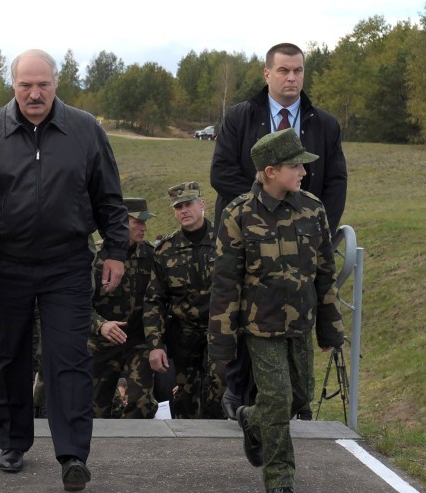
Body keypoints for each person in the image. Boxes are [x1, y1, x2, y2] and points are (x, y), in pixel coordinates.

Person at [0, 49, 128, 492]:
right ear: (13, 85)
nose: (34, 93)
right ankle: (13, 442)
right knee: (8, 355)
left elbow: (109, 197)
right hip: (3, 263)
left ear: (56, 83)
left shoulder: (85, 131)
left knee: (68, 358)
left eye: (42, 84)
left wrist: (116, 250)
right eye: (25, 85)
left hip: (66, 262)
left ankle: (73, 455)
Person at [209, 42, 348, 420]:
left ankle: (288, 404)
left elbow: (335, 183)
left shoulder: (324, 123)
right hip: (246, 237)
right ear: (267, 74)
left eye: (298, 71)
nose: (292, 78)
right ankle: (239, 395)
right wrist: (259, 219)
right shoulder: (240, 117)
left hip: (302, 242)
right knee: (243, 312)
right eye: (284, 70)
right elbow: (221, 173)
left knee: (294, 316)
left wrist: (315, 231)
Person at [208, 128, 345, 493]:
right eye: (296, 166)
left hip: (300, 325)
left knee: (299, 396)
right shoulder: (239, 214)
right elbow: (224, 285)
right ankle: (280, 479)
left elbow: (326, 274)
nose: (303, 172)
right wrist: (222, 346)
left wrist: (330, 331)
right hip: (260, 328)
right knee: (279, 398)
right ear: (270, 171)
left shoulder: (313, 209)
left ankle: (251, 420)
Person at [142, 182, 225, 419]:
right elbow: (154, 301)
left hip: (219, 333)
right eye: (178, 207)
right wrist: (155, 345)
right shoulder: (166, 250)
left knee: (218, 394)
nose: (183, 211)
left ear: (202, 205)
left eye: (188, 204)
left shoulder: (225, 243)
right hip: (183, 338)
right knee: (186, 404)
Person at [90, 197, 157, 419]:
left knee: (142, 402)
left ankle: (137, 453)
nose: (143, 227)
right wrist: (100, 325)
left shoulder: (150, 255)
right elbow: (77, 303)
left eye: (145, 222)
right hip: (101, 345)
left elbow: (159, 300)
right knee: (95, 410)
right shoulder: (95, 257)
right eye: (137, 222)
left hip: (136, 343)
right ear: (120, 221)